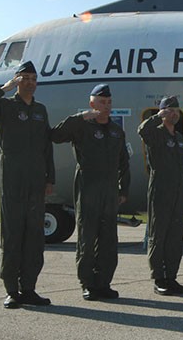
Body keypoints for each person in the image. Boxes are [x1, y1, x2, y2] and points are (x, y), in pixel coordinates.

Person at [0, 61, 55, 309]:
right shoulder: (4, 106)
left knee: (34, 236)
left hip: (36, 179)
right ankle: (11, 290)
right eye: (24, 78)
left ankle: (29, 288)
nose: (29, 82)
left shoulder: (40, 110)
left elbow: (46, 146)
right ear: (17, 81)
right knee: (13, 233)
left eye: (32, 78)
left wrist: (49, 178)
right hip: (12, 177)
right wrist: (4, 88)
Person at [50, 84, 130, 301]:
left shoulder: (116, 131)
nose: (106, 106)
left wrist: (124, 189)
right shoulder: (82, 127)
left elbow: (124, 161)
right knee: (87, 237)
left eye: (109, 102)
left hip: (110, 190)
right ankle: (88, 283)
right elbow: (56, 135)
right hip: (88, 187)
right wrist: (80, 118)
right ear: (92, 104)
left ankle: (104, 283)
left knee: (108, 240)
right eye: (102, 102)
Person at [138, 95, 183, 296]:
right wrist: (157, 116)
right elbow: (142, 130)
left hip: (177, 191)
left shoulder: (178, 138)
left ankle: (171, 277)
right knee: (159, 234)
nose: (174, 114)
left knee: (175, 236)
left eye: (176, 110)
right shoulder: (155, 133)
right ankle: (159, 277)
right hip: (160, 189)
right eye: (170, 110)